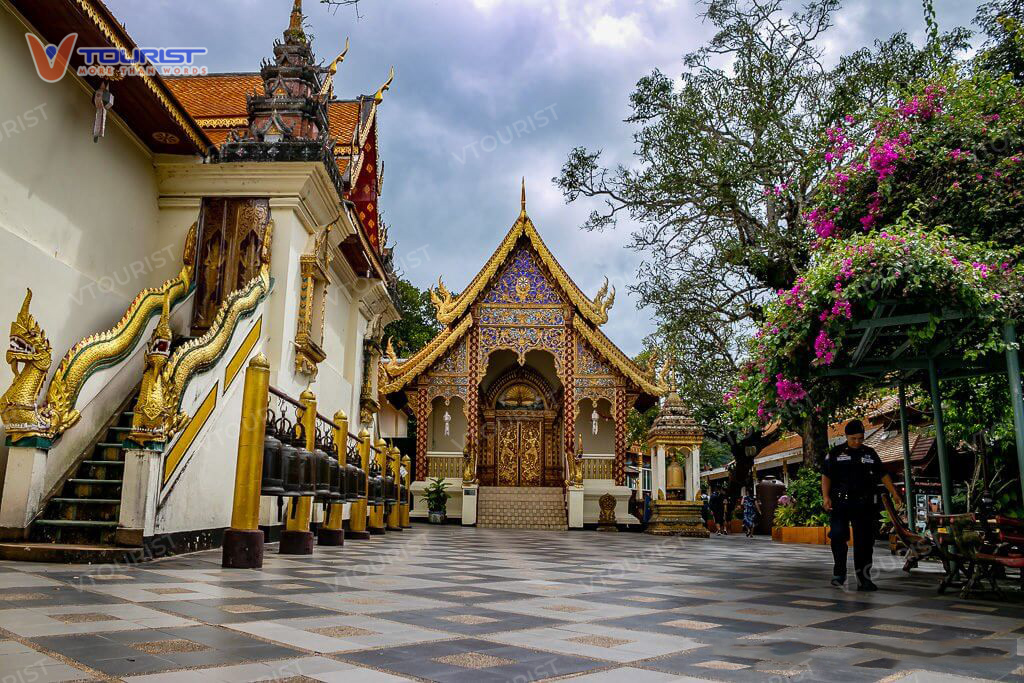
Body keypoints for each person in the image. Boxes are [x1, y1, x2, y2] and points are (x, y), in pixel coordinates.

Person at [822, 419, 902, 591]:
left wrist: (894, 492)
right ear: (847, 437)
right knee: (837, 536)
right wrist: (826, 497)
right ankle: (839, 572)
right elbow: (826, 476)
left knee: (864, 543)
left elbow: (883, 474)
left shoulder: (870, 453)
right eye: (854, 439)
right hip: (840, 502)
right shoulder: (835, 453)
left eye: (860, 438)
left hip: (864, 503)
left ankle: (864, 579)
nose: (857, 442)